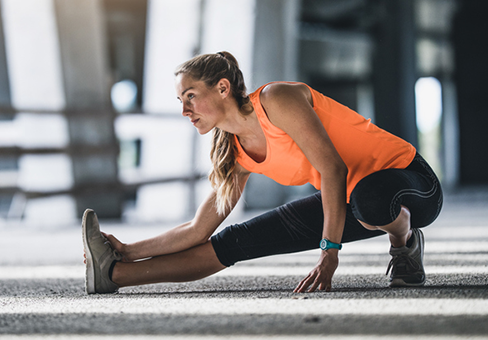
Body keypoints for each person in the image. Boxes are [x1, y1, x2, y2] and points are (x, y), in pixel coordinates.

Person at [82, 51, 443, 294]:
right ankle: (113, 276)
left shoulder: (277, 100)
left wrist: (329, 251)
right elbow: (198, 230)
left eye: (190, 96)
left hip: (409, 181)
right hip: (349, 197)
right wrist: (127, 251)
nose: (185, 111)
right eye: (181, 101)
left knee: (371, 199)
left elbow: (333, 168)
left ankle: (404, 242)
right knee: (235, 240)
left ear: (222, 87)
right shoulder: (237, 154)